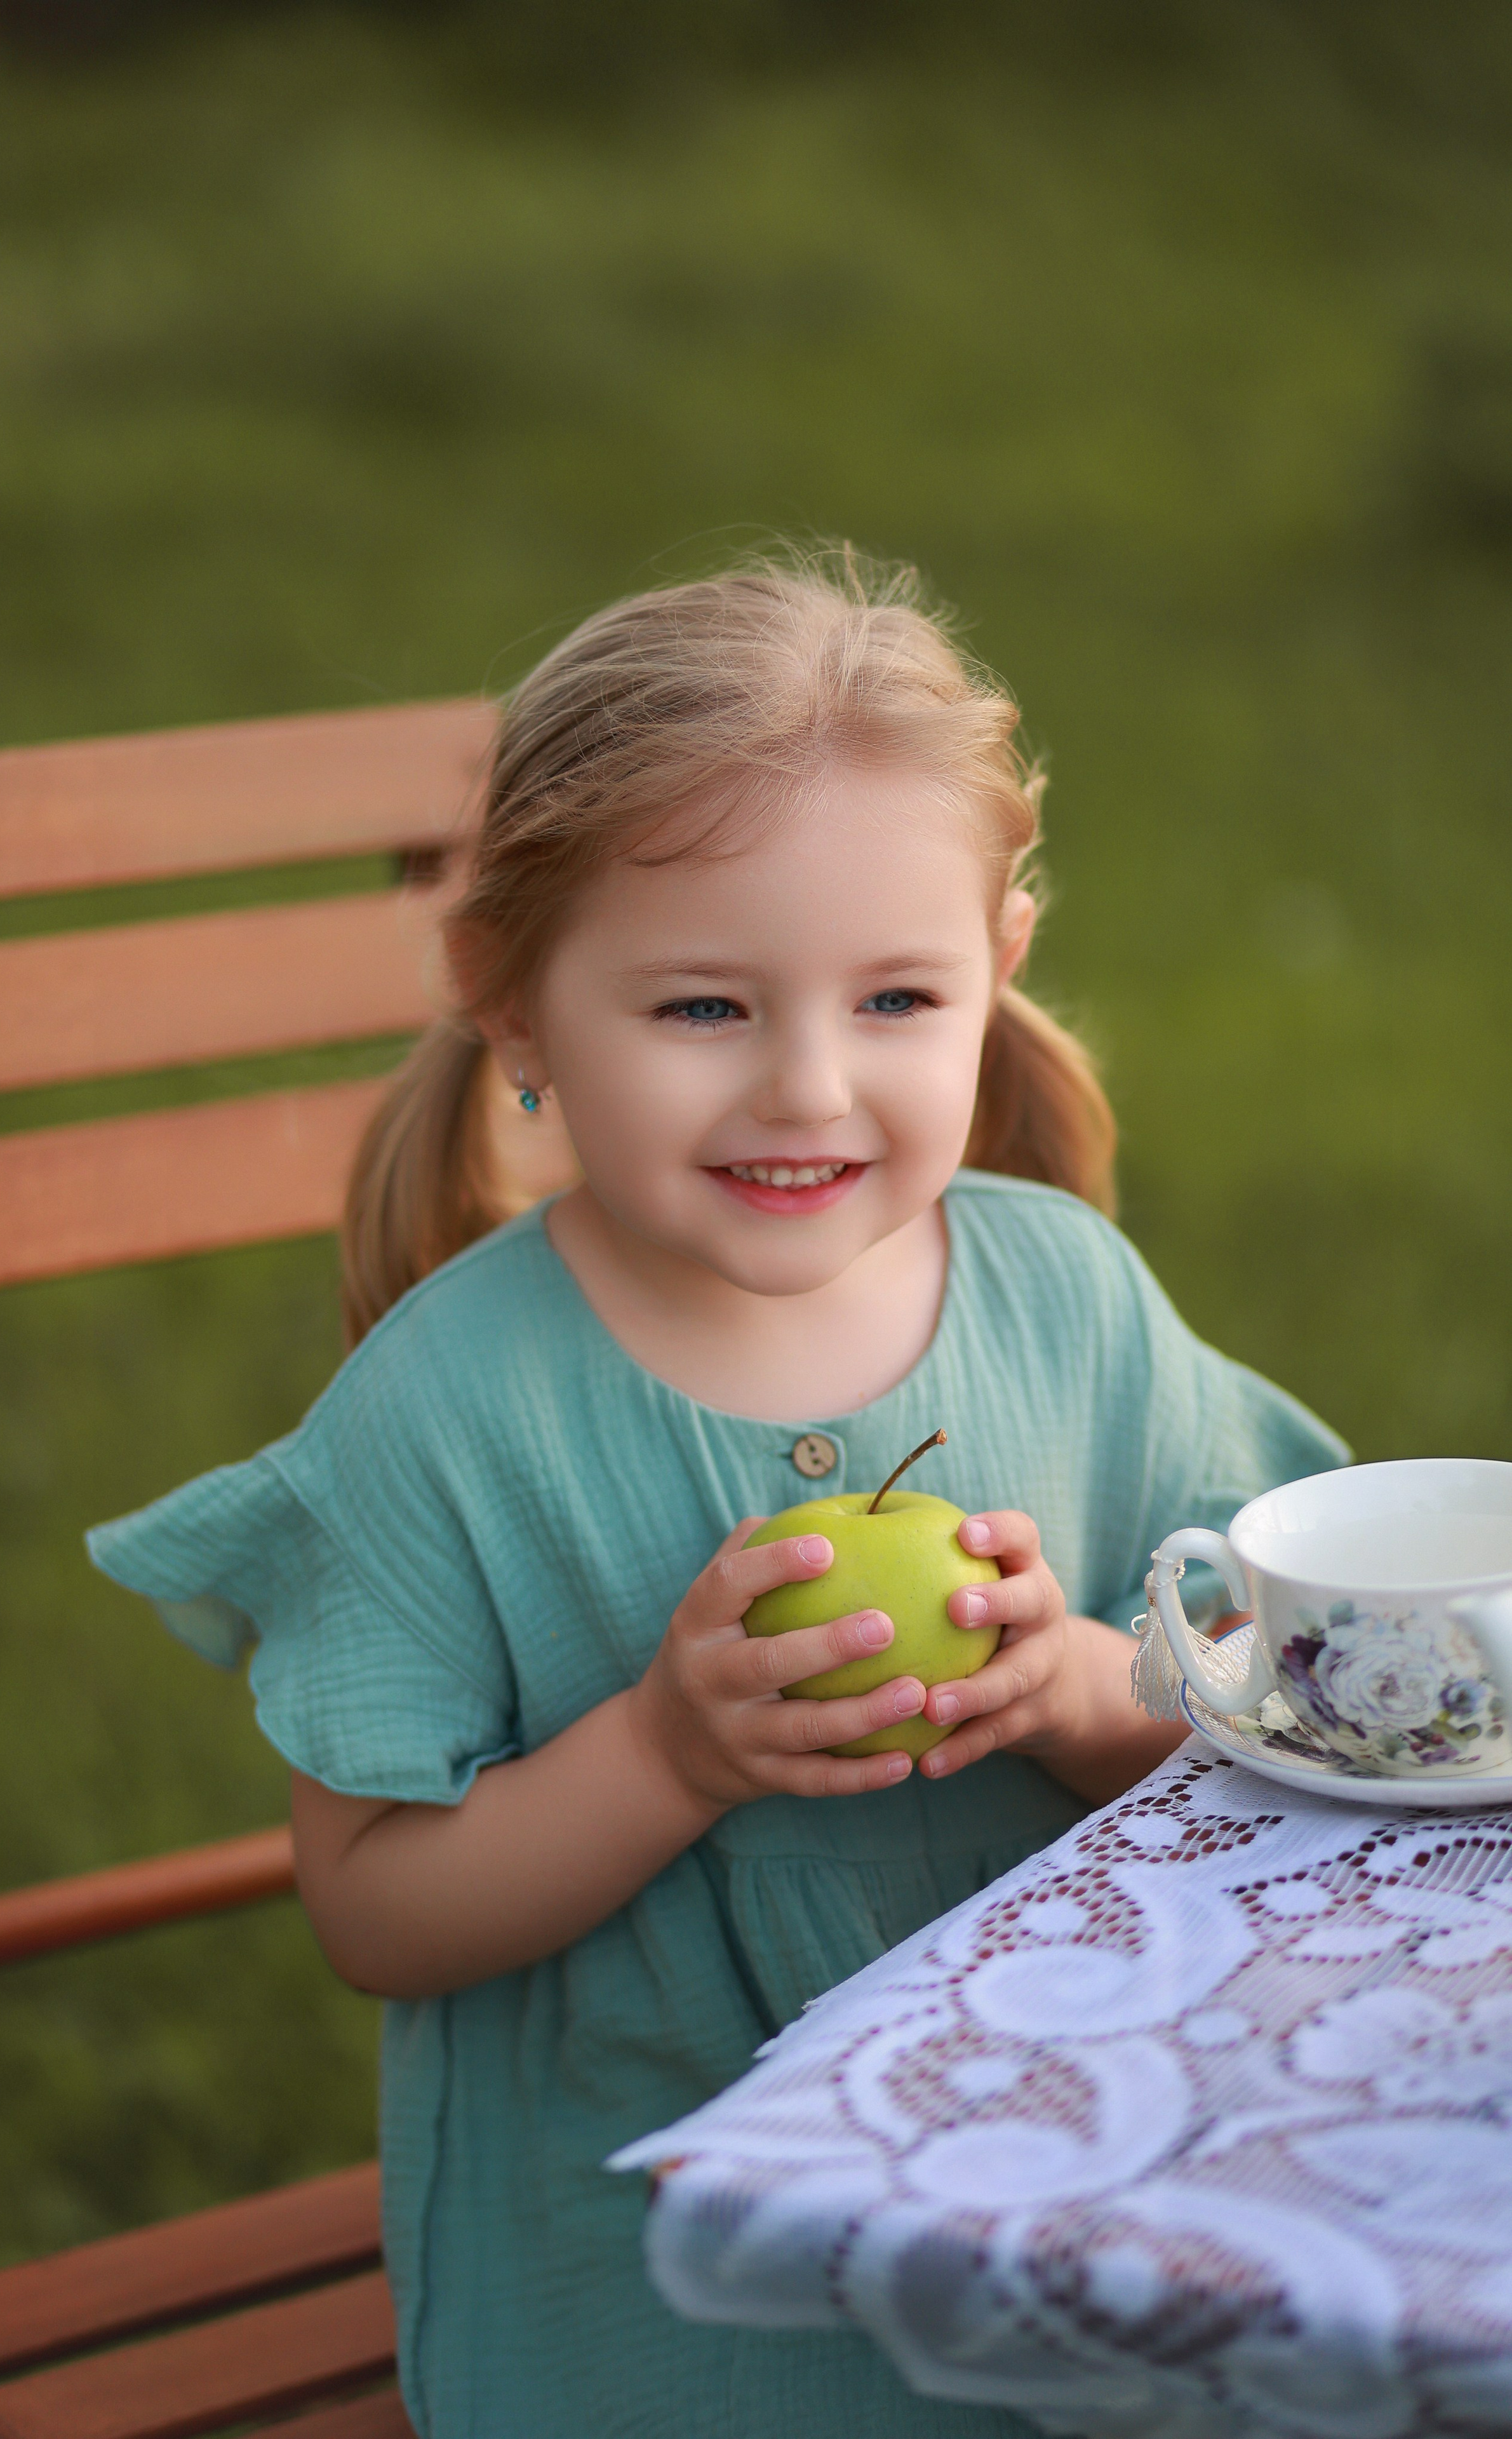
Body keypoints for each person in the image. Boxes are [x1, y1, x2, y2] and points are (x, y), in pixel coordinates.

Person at [89, 552, 1346, 2439]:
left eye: (898, 998)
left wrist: (1083, 1686)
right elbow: (372, 1913)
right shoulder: (452, 1408)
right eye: (701, 1011)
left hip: (1071, 2191)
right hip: (647, 2264)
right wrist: (665, 1757)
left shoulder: (1069, 1302)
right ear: (510, 1004)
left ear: (999, 968)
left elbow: (1285, 1709)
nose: (808, 1090)